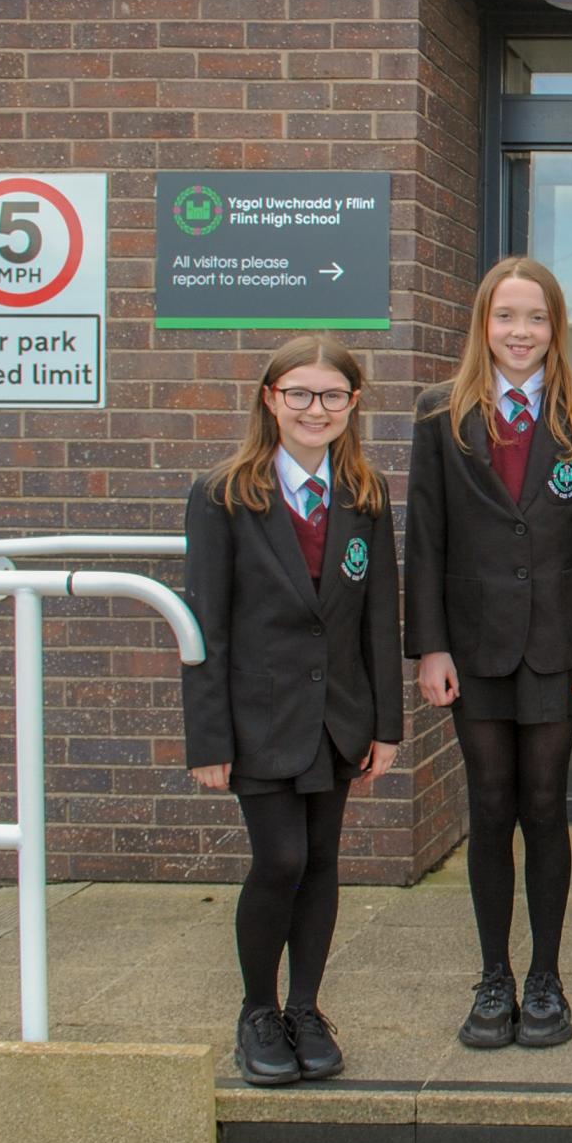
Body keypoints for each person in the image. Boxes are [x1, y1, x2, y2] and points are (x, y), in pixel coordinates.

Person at [406, 257, 572, 1051]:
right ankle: (494, 974)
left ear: (554, 326)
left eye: (535, 318)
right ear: (483, 325)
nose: (520, 332)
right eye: (506, 317)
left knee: (546, 803)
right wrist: (428, 645)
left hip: (561, 645)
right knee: (490, 807)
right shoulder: (441, 412)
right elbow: (424, 540)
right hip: (472, 645)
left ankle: (546, 978)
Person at [181, 335, 402, 1087]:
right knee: (281, 859)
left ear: (353, 404)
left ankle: (306, 1008)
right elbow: (205, 624)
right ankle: (257, 1009)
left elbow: (379, 618)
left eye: (332, 394)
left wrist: (385, 726)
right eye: (300, 394)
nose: (316, 408)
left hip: (338, 717)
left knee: (323, 862)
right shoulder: (225, 494)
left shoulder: (364, 496)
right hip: (259, 718)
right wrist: (207, 737)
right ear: (271, 399)